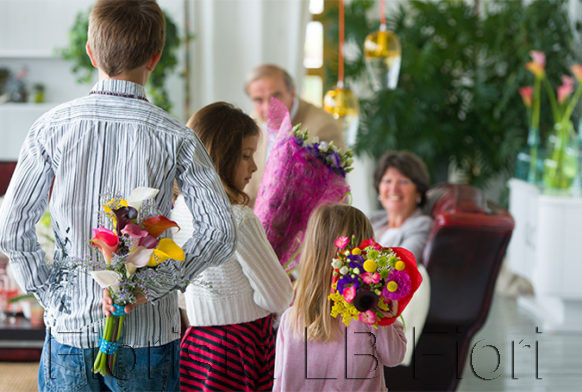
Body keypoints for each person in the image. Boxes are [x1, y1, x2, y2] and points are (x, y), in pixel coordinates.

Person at [0, 1, 235, 391]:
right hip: (149, 338)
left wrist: (48, 293)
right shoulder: (177, 136)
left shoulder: (50, 128)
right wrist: (152, 285)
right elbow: (221, 232)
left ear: (91, 53)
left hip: (69, 330)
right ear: (155, 58)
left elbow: (11, 228)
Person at [172, 102, 294, 391]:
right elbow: (278, 298)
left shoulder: (180, 210)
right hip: (241, 348)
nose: (254, 166)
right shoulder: (237, 218)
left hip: (198, 345)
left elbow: (178, 291)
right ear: (221, 157)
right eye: (246, 156)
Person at [274, 204, 406, 391]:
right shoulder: (368, 318)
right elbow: (395, 357)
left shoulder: (289, 320)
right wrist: (385, 317)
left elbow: (279, 383)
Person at [244, 64, 345, 205]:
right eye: (258, 100)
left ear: (292, 92)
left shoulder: (324, 125)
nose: (268, 107)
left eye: (276, 96)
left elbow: (333, 193)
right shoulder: (249, 125)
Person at [368, 150, 433, 366]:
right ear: (379, 189)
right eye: (387, 181)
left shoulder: (420, 224)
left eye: (403, 181)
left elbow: (404, 263)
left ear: (419, 192)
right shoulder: (373, 220)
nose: (393, 189)